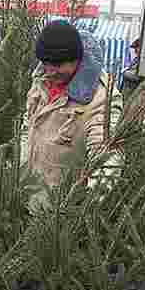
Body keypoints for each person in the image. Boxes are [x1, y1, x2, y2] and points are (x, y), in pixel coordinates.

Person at [26, 21, 110, 187]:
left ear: (77, 59)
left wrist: (91, 202)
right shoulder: (41, 82)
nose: (50, 71)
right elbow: (27, 124)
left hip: (61, 207)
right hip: (28, 194)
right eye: (46, 63)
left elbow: (105, 160)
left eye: (57, 64)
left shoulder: (99, 99)